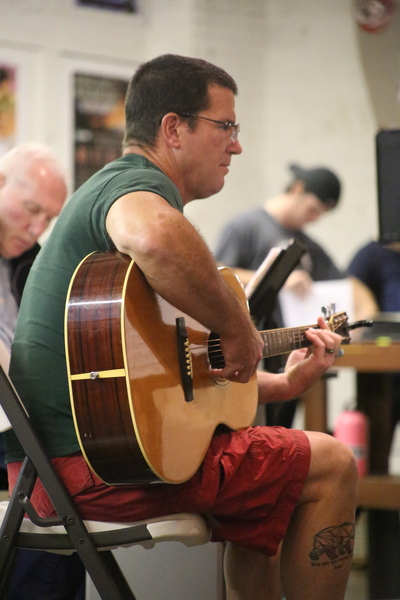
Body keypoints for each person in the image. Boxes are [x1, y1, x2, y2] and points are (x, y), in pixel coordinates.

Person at [4, 55, 358, 600]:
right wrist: (236, 327)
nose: (236, 146)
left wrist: (283, 384)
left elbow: (164, 384)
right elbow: (151, 237)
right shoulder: (134, 184)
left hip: (63, 468)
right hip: (88, 472)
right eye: (226, 126)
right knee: (334, 463)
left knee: (272, 492)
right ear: (174, 129)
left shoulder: (120, 201)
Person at [214, 164, 378, 427]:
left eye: (321, 214)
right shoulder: (245, 226)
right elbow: (216, 274)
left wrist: (365, 314)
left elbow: (348, 283)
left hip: (288, 351)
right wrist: (280, 279)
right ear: (298, 189)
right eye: (313, 209)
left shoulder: (306, 245)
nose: (314, 219)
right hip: (245, 352)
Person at [0, 143, 86, 599]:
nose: (38, 228)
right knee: (52, 476)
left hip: (26, 419)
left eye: (48, 218)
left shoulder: (35, 263)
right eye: (31, 210)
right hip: (14, 425)